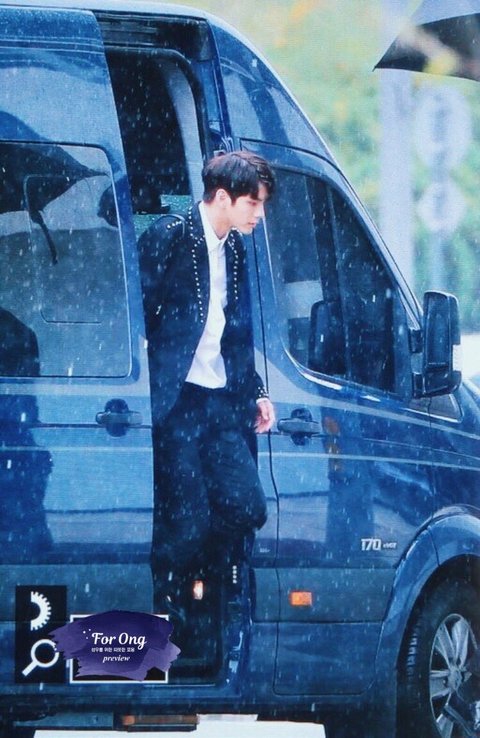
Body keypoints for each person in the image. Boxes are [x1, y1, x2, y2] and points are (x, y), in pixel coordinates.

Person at [138, 151, 276, 617]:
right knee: (188, 519)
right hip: (175, 401)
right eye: (253, 203)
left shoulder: (233, 247)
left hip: (218, 402)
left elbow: (235, 334)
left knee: (249, 506)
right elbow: (139, 315)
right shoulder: (172, 235)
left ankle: (195, 575)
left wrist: (257, 391)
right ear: (222, 198)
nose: (259, 214)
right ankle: (168, 602)